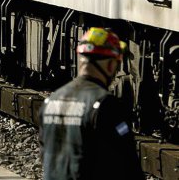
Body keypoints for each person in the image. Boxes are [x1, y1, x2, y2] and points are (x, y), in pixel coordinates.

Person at [39, 27, 143, 180]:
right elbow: (128, 162)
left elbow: (45, 154)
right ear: (110, 65)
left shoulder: (51, 101)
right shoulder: (106, 105)